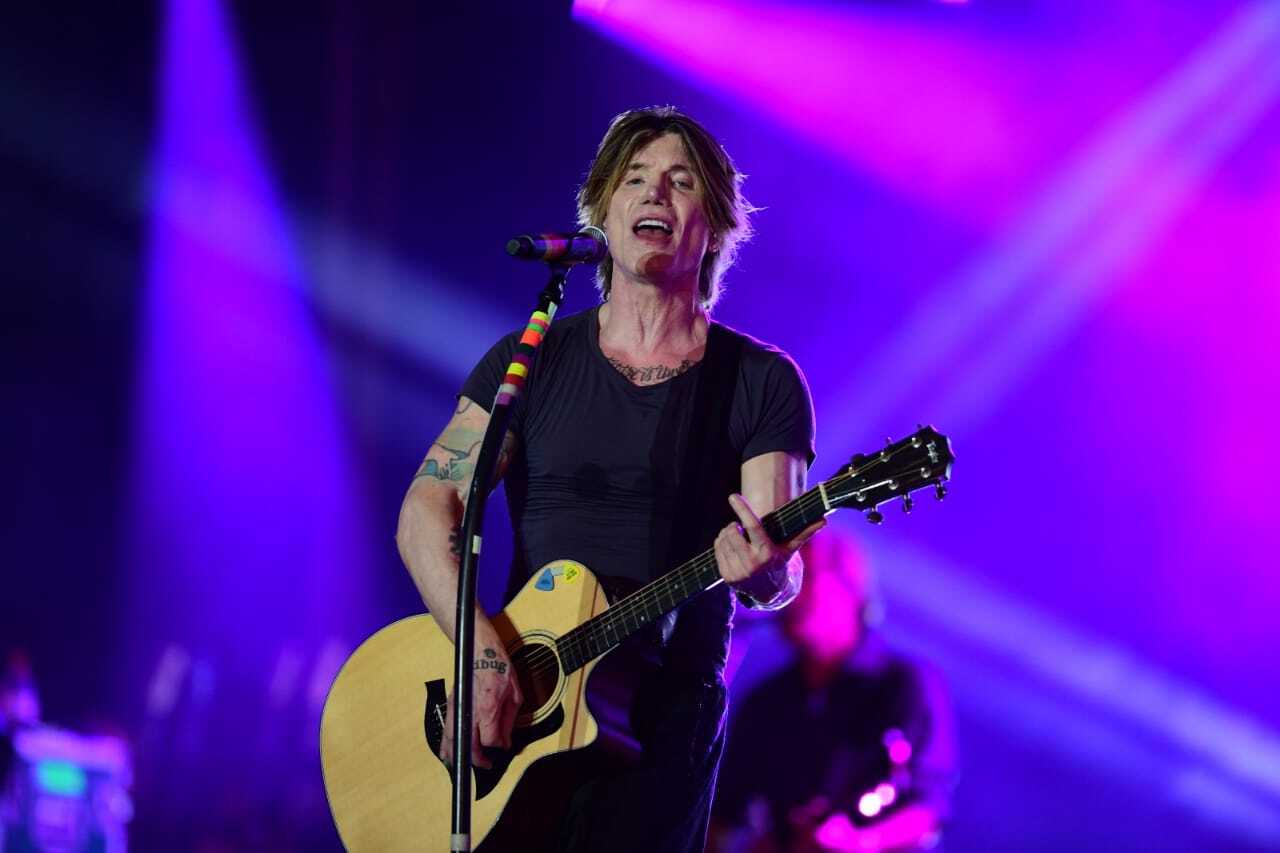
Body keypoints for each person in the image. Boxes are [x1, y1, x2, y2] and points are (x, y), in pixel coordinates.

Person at [395, 106, 823, 852]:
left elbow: (778, 571)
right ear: (602, 209)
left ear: (715, 224)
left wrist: (762, 575)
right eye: (634, 179)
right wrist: (482, 652)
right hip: (524, 707)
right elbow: (428, 508)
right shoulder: (530, 359)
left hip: (658, 728)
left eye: (680, 182)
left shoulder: (758, 381)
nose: (655, 193)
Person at [710, 531, 958, 853]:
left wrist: (859, 843)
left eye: (802, 576)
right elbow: (723, 815)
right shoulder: (767, 701)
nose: (787, 592)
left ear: (849, 588)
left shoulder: (906, 683)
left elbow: (928, 807)